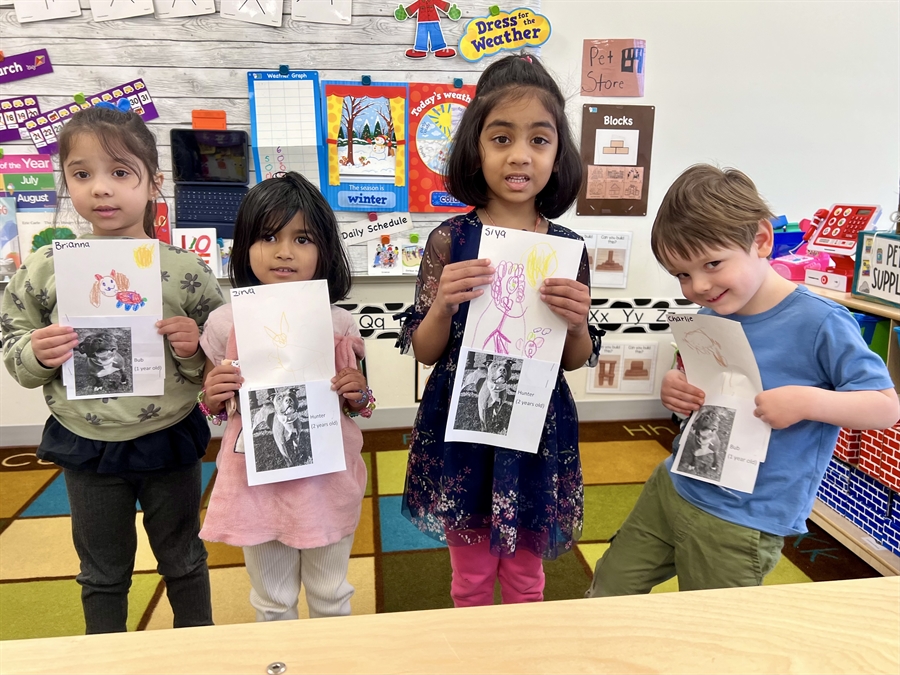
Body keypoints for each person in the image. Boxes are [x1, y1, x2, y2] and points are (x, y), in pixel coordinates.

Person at [587, 164, 900, 596]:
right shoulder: (712, 313)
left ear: (762, 240)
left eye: (712, 263)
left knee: (716, 636)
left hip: (743, 519)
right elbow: (699, 392)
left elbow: (885, 405)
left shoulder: (821, 322)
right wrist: (674, 390)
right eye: (681, 274)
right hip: (675, 485)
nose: (698, 285)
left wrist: (808, 402)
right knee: (609, 587)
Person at [1, 105, 224, 633]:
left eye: (120, 173)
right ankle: (106, 657)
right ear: (66, 182)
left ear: (153, 182)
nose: (101, 189)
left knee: (184, 559)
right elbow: (12, 343)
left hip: (166, 437)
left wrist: (194, 349)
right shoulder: (44, 268)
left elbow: (219, 368)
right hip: (86, 443)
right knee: (102, 571)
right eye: (82, 174)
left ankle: (200, 654)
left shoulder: (185, 271)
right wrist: (37, 351)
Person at [396, 53, 601, 607]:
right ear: (475, 149)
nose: (520, 155)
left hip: (536, 423)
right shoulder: (449, 240)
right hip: (464, 420)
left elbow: (576, 357)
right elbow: (423, 349)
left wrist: (577, 321)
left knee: (527, 579)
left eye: (539, 140)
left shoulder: (566, 249)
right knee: (470, 578)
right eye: (500, 137)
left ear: (558, 154)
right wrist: (441, 306)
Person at [198, 171, 373, 621]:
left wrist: (357, 394)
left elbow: (362, 405)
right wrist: (213, 397)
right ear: (245, 246)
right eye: (269, 236)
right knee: (272, 600)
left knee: (331, 592)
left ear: (324, 251)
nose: (284, 251)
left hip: (326, 481)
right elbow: (219, 409)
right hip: (257, 484)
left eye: (303, 239)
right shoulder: (223, 323)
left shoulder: (338, 323)